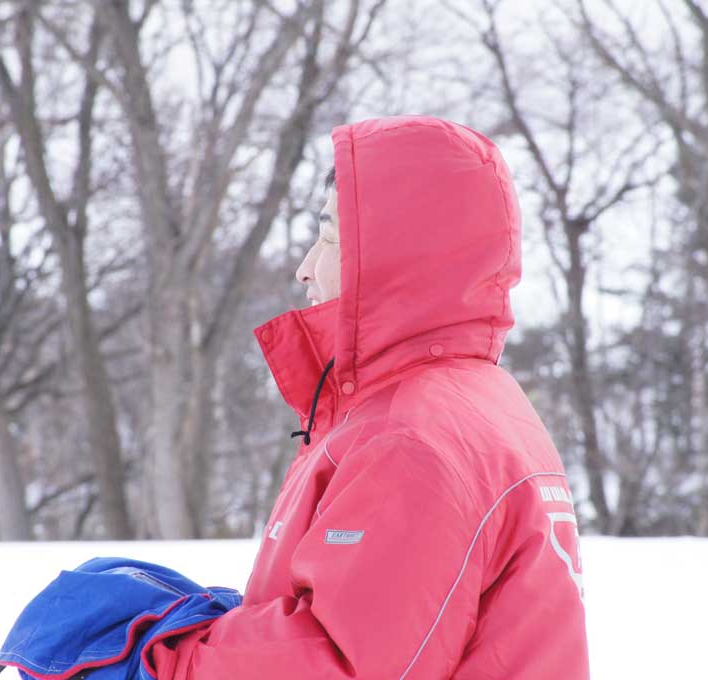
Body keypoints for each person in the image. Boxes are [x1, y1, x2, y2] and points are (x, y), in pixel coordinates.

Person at [149, 114, 589, 678]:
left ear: (398, 257)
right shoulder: (472, 402)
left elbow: (343, 664)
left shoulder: (410, 438)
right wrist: (192, 626)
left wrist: (161, 660)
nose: (306, 269)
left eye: (330, 238)